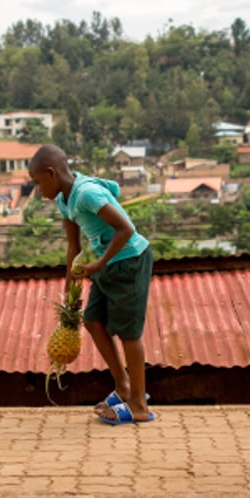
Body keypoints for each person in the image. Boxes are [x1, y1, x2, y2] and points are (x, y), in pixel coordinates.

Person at [28, 144, 155, 424]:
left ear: (51, 173)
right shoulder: (65, 199)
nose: (38, 191)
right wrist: (68, 291)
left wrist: (98, 264)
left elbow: (126, 229)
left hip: (130, 262)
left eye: (37, 183)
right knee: (93, 321)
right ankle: (122, 385)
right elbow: (73, 246)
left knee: (129, 333)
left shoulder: (87, 194)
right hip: (106, 265)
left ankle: (139, 405)